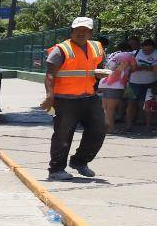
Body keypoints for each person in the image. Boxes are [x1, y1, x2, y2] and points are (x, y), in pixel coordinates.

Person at [41, 16, 107, 179]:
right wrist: (50, 95)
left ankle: (80, 161)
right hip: (65, 100)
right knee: (63, 134)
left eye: (85, 30)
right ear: (72, 31)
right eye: (77, 30)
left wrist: (99, 75)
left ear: (91, 32)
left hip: (89, 97)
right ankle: (56, 169)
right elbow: (50, 74)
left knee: (99, 129)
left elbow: (97, 68)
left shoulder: (97, 47)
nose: (81, 33)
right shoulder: (61, 50)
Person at [127, 37, 157, 131]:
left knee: (150, 103)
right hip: (134, 82)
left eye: (150, 50)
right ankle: (129, 125)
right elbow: (128, 68)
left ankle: (148, 126)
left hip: (152, 82)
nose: (147, 52)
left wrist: (150, 68)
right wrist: (135, 68)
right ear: (142, 47)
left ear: (154, 48)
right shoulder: (135, 53)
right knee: (131, 103)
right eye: (145, 50)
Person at [98, 37, 136, 131]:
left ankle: (104, 127)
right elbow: (134, 68)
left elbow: (108, 67)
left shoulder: (113, 55)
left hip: (104, 81)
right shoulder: (130, 56)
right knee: (111, 108)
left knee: (104, 107)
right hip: (116, 83)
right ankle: (110, 128)